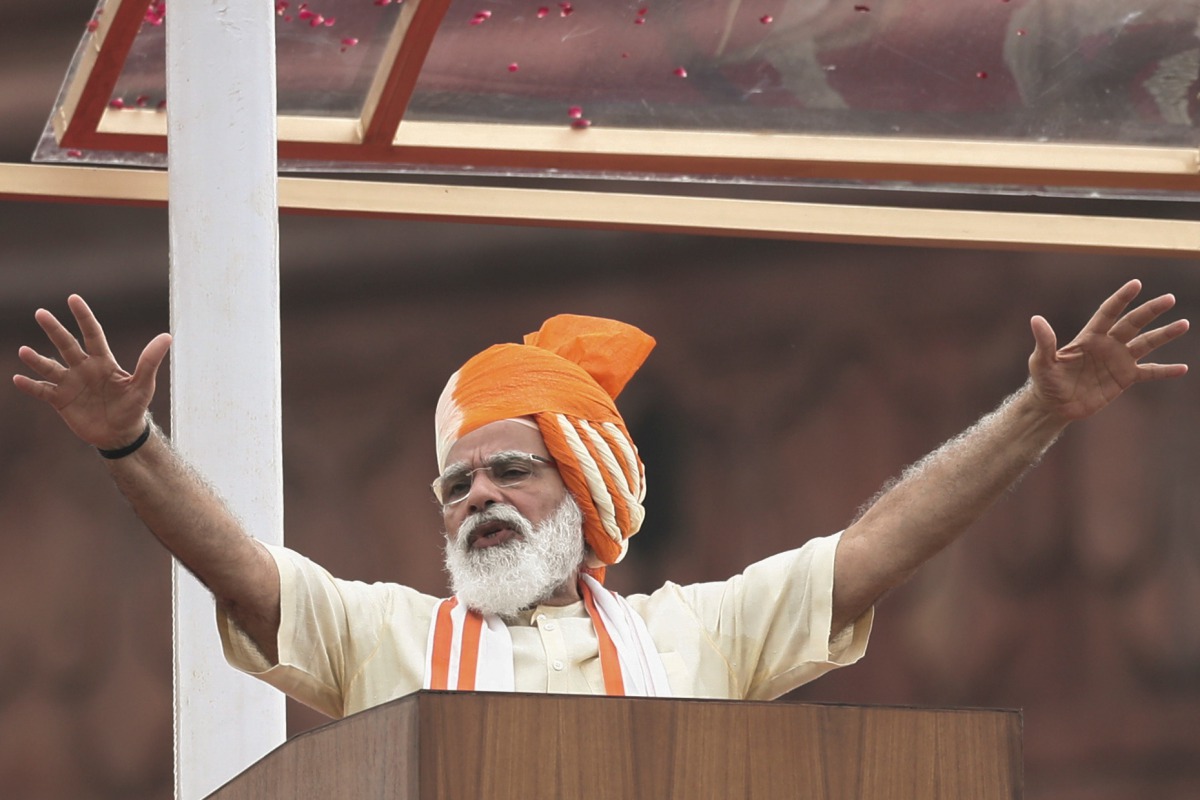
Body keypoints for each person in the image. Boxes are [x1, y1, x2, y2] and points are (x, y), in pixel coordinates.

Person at [12, 281, 1189, 719]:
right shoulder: (389, 638)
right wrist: (132, 445)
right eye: (456, 479)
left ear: (581, 487)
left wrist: (1037, 413)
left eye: (509, 467)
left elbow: (875, 547)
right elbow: (245, 571)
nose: (477, 494)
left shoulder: (696, 635)